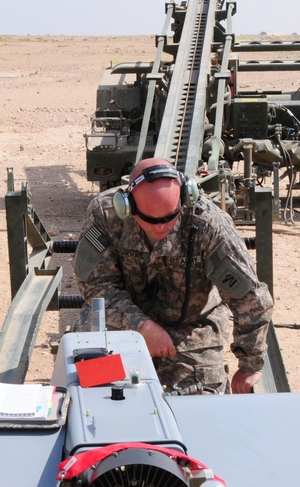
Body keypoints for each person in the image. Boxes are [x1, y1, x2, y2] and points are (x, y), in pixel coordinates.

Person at [73, 158, 273, 394]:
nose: (160, 228)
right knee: (96, 388)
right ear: (126, 206)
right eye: (150, 220)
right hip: (120, 321)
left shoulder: (208, 224)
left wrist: (250, 365)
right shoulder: (105, 215)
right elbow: (95, 285)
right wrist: (140, 326)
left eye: (169, 217)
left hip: (191, 326)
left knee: (201, 399)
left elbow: (249, 298)